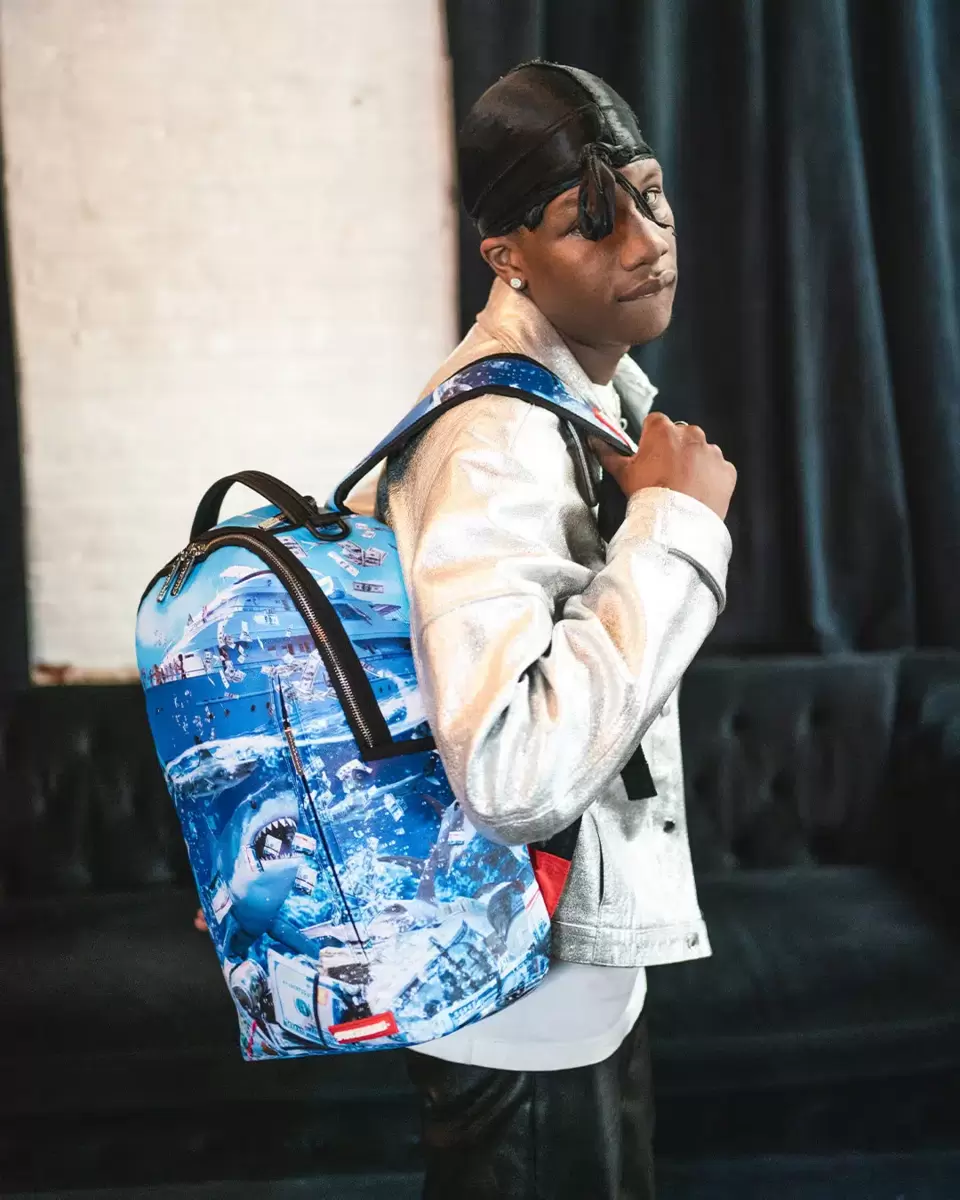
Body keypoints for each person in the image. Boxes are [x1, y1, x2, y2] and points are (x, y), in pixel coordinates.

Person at [373, 61, 737, 1199]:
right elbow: (511, 769)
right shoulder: (497, 437)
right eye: (593, 220)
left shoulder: (581, 399)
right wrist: (676, 527)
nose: (647, 241)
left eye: (651, 195)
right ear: (507, 257)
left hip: (555, 980)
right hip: (522, 1006)